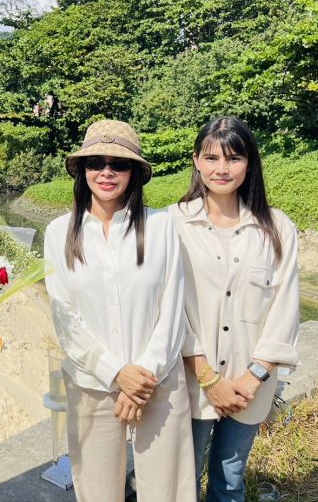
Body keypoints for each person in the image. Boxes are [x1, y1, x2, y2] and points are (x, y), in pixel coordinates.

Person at [44, 119, 196, 502]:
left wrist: (141, 379)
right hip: (92, 384)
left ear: (135, 173)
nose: (107, 172)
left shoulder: (162, 227)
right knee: (97, 491)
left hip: (158, 383)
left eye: (120, 164)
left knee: (167, 491)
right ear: (82, 170)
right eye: (96, 162)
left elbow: (173, 308)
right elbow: (65, 317)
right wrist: (117, 373)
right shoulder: (59, 233)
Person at [169, 117, 299, 502]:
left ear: (250, 162)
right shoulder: (172, 224)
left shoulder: (276, 228)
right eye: (211, 157)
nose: (221, 169)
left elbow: (285, 305)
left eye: (234, 158)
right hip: (190, 379)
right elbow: (169, 307)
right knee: (181, 480)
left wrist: (254, 376)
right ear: (196, 161)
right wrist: (209, 377)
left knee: (230, 479)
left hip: (250, 384)